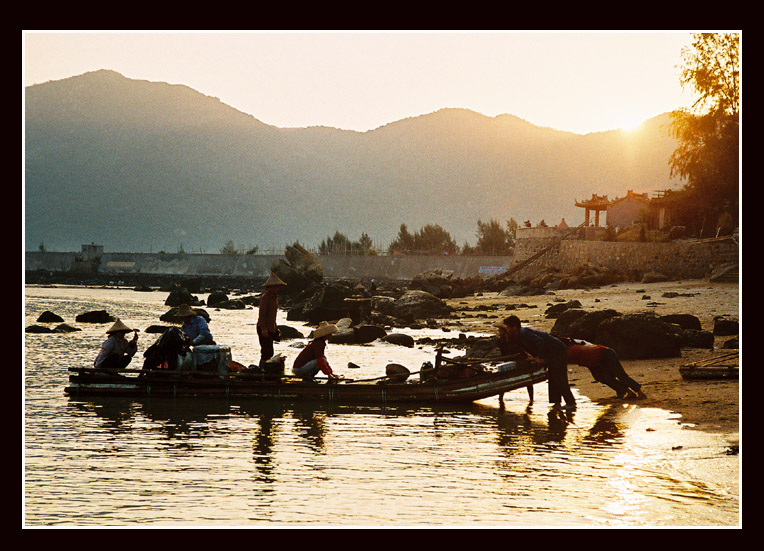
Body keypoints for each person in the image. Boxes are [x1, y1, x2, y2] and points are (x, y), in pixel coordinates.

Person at [502, 315, 576, 410]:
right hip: (550, 353)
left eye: (508, 327)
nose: (507, 329)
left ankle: (571, 402)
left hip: (558, 351)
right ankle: (556, 403)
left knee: (559, 377)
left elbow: (539, 341)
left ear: (514, 327)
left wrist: (540, 358)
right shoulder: (518, 335)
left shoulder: (524, 333)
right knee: (552, 376)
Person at [559, 337, 647, 399]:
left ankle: (640, 392)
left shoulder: (570, 351)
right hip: (596, 360)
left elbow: (560, 362)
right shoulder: (573, 345)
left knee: (621, 375)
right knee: (603, 378)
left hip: (605, 354)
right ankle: (628, 392)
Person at [495, 320, 534, 403]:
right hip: (508, 360)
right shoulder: (501, 341)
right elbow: (503, 354)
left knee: (528, 380)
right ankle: (500, 398)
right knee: (503, 378)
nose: (498, 331)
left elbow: (522, 349)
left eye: (500, 329)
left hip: (519, 359)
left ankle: (531, 399)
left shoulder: (515, 338)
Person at [257, 273, 287, 367]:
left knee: (269, 351)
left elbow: (272, 316)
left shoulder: (274, 298)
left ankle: (265, 370)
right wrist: (264, 328)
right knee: (266, 351)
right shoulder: (265, 298)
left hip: (270, 327)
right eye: (276, 287)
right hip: (264, 327)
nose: (277, 289)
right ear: (271, 287)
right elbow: (262, 314)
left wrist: (275, 328)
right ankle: (262, 370)